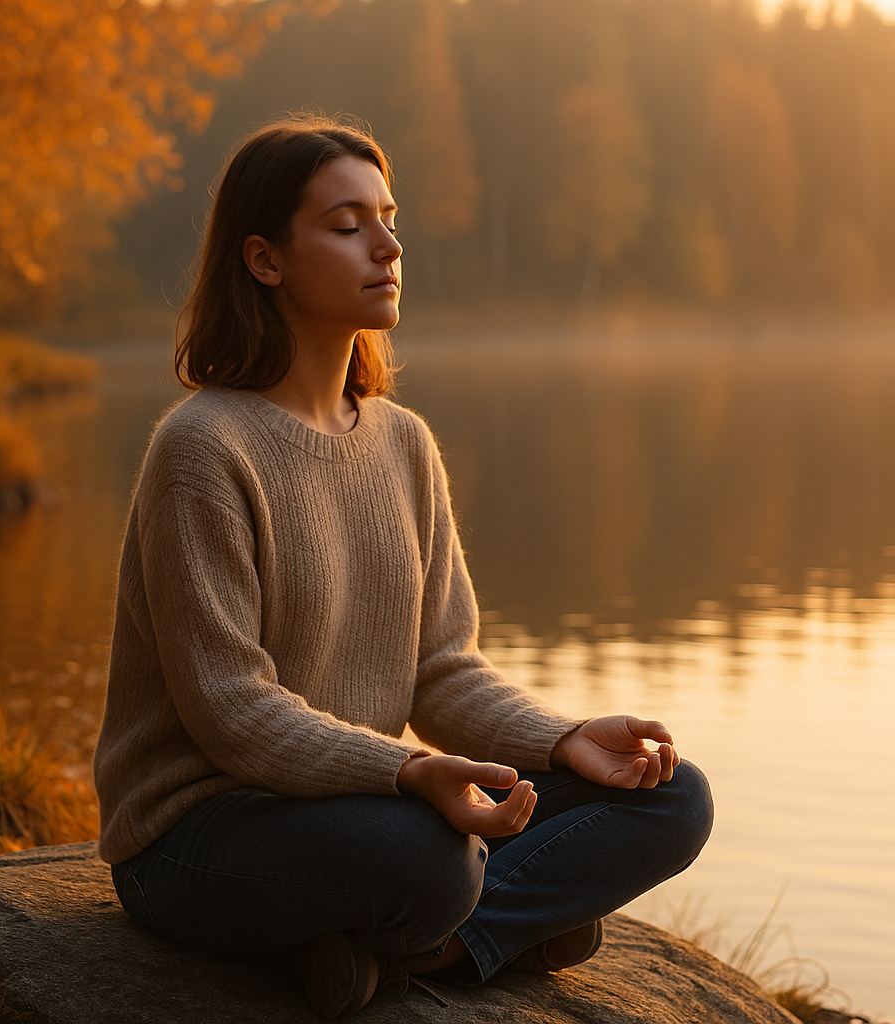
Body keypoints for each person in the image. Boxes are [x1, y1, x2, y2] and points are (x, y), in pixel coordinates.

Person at [93, 115, 713, 1020]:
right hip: (204, 837)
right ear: (264, 261)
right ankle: (496, 924)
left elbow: (440, 668)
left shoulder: (404, 443)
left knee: (670, 797)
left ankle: (432, 946)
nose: (388, 245)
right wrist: (408, 776)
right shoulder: (202, 448)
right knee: (429, 855)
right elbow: (232, 710)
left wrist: (561, 740)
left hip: (365, 804)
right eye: (348, 226)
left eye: (387, 218)